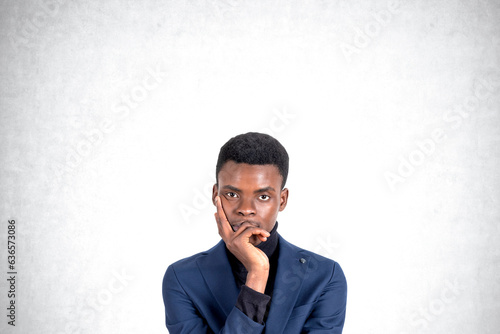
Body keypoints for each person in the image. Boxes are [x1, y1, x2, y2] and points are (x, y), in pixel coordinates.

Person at [162, 132, 347, 333]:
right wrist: (257, 275)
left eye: (263, 197)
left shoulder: (325, 276)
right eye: (232, 194)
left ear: (282, 200)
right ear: (216, 195)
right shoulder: (182, 278)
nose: (246, 209)